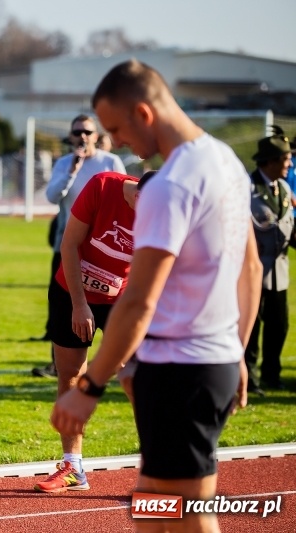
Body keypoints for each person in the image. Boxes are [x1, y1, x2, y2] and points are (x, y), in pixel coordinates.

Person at [51, 59, 262, 533]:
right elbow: (251, 268)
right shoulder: (225, 161)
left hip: (179, 372)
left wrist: (89, 387)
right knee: (159, 508)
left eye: (117, 129)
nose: (118, 142)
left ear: (144, 113)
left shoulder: (168, 187)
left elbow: (139, 299)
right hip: (210, 364)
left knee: (184, 513)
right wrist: (238, 352)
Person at [34, 170, 145, 493]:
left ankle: (156, 464)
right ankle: (73, 466)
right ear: (138, 193)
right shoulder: (103, 186)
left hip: (120, 298)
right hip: (71, 290)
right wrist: (80, 305)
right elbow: (69, 245)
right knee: (70, 373)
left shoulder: (162, 212)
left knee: (135, 375)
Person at [31, 116, 126, 379]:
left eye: (87, 131)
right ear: (71, 136)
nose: (82, 136)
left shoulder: (110, 162)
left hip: (104, 254)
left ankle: (110, 365)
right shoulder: (64, 163)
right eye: (77, 132)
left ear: (96, 135)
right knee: (62, 306)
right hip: (68, 245)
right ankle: (59, 363)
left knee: (108, 308)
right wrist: (71, 172)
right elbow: (52, 196)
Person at [245, 126, 294, 395]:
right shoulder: (248, 189)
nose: (289, 163)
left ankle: (272, 376)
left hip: (281, 271)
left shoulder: (285, 188)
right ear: (271, 161)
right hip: (254, 271)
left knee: (280, 325)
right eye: (286, 159)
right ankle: (250, 379)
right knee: (252, 328)